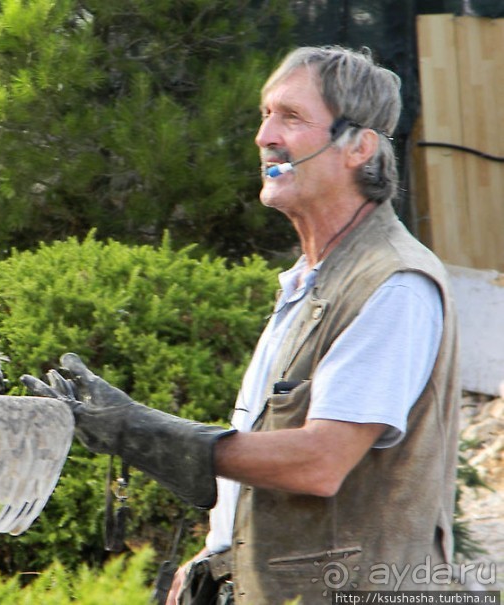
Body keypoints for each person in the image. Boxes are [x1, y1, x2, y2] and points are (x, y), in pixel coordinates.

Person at [23, 45, 460, 604]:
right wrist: (218, 557)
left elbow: (321, 461)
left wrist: (141, 431)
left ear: (360, 147)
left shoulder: (394, 284)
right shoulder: (310, 280)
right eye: (265, 114)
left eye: (292, 117)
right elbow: (270, 464)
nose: (264, 136)